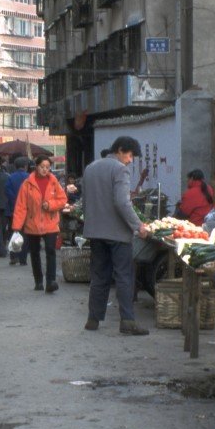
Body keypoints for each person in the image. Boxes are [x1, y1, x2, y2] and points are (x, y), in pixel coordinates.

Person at [83, 136, 150, 335]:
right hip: (118, 234)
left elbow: (86, 201)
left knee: (99, 276)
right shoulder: (120, 169)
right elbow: (122, 202)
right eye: (129, 155)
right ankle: (127, 321)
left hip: (95, 231)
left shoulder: (91, 168)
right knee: (124, 276)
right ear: (120, 150)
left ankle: (93, 319)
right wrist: (138, 226)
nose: (130, 160)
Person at [12, 154, 68, 293]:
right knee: (35, 253)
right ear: (36, 167)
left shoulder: (53, 181)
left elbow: (62, 199)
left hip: (50, 223)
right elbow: (21, 206)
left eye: (48, 167)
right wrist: (17, 227)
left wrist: (49, 205)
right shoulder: (27, 184)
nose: (45, 170)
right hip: (32, 224)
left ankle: (50, 281)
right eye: (42, 167)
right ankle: (38, 281)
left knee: (50, 251)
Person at [4, 156, 30, 267]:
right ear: (25, 166)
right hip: (27, 211)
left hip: (13, 210)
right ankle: (23, 259)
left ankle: (14, 257)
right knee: (25, 235)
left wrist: (15, 203)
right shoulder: (29, 177)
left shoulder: (10, 178)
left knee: (14, 233)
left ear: (15, 166)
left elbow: (7, 192)